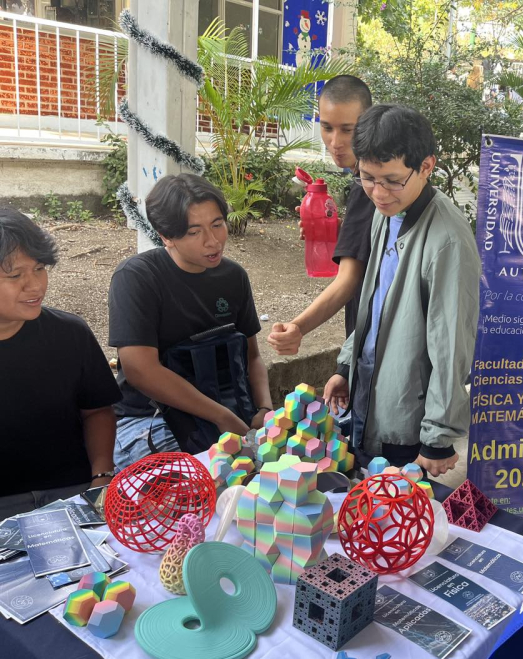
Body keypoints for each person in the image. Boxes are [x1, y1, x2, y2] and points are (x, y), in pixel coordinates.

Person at [323, 104, 481, 476]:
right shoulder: (387, 213)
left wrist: (438, 437)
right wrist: (347, 367)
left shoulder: (448, 240)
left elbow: (452, 346)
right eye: (367, 177)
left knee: (394, 506)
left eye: (392, 180)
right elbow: (374, 302)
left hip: (409, 417)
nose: (378, 192)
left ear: (426, 166)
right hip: (370, 393)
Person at [108, 174, 272, 468]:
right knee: (196, 483)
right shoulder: (137, 277)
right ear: (166, 236)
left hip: (229, 411)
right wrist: (221, 417)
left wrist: (264, 409)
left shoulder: (233, 277)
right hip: (150, 419)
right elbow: (140, 370)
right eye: (194, 232)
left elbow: (252, 357)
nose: (213, 241)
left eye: (217, 224)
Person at [0, 208, 120, 520]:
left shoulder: (69, 333)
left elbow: (97, 411)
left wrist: (102, 478)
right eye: (15, 275)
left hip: (73, 490)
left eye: (39, 268)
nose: (35, 285)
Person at [268, 75, 377, 354]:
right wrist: (341, 231)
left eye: (347, 130)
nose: (335, 142)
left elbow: (349, 279)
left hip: (377, 340)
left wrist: (297, 327)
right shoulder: (367, 177)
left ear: (368, 124)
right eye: (327, 127)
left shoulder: (372, 186)